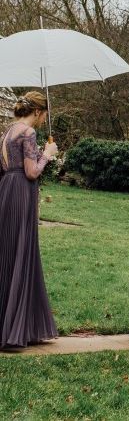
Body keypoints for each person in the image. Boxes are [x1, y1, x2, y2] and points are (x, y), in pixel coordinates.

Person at [0, 91, 59, 350]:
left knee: (8, 254)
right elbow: (32, 172)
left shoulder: (7, 132)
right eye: (44, 114)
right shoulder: (28, 133)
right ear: (37, 111)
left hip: (6, 191)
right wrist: (48, 153)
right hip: (21, 193)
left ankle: (15, 324)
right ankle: (15, 330)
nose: (43, 118)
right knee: (21, 253)